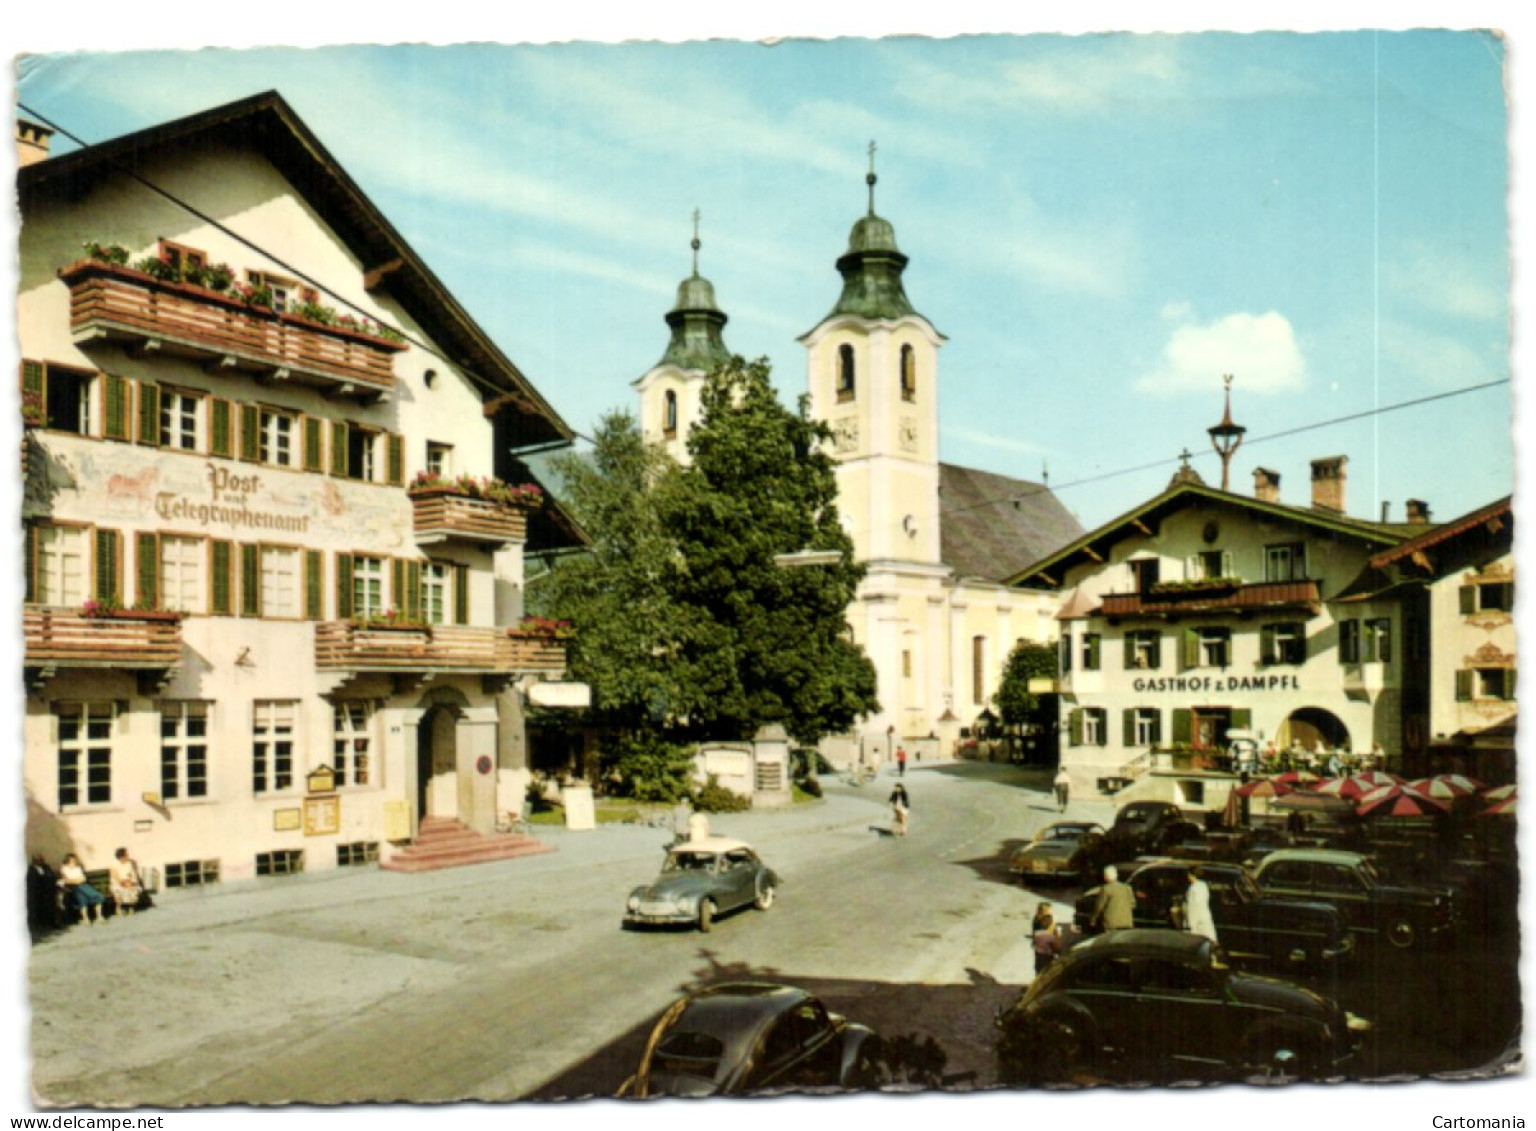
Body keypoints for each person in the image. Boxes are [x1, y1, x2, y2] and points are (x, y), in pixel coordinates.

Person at [58, 853, 105, 925]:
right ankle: (94, 894)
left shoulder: (78, 868)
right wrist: (76, 881)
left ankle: (89, 919)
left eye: (74, 861)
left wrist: (76, 881)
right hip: (72, 889)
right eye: (72, 861)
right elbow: (66, 880)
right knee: (92, 894)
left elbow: (83, 878)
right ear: (67, 862)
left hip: (81, 887)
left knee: (82, 898)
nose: (74, 863)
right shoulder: (64, 869)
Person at [1089, 865, 1134, 932]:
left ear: (1106, 876)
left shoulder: (1106, 889)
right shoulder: (1127, 888)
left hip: (1111, 924)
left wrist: (1093, 919)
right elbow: (1133, 904)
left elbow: (1099, 906)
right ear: (1116, 875)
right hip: (1127, 922)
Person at [1184, 866, 1218, 943]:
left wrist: (1191, 924)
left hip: (1197, 919)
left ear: (1191, 875)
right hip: (1205, 916)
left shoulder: (1193, 889)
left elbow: (1193, 907)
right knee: (1210, 938)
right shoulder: (1203, 886)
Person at [1031, 903, 1063, 977]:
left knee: (1039, 971)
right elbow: (1052, 941)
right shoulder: (1038, 922)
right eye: (1048, 913)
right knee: (1045, 972)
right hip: (1046, 954)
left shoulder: (1037, 920)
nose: (1051, 914)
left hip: (1040, 952)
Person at [109, 847, 143, 916]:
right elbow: (115, 876)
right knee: (120, 890)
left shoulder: (129, 863)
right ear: (121, 856)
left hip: (129, 882)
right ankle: (119, 908)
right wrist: (123, 882)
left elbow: (133, 874)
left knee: (134, 888)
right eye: (126, 854)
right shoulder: (113, 864)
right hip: (118, 883)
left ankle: (130, 907)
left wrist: (132, 882)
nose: (128, 856)